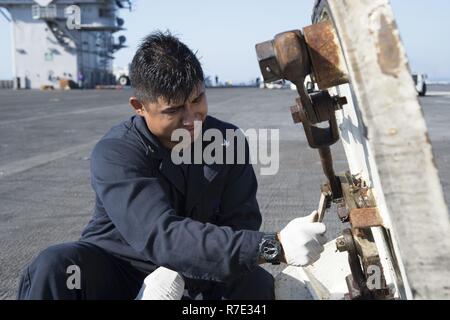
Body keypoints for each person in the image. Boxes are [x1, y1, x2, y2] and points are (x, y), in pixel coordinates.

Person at [17, 31, 327, 300]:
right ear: (140, 107)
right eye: (174, 109)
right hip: (122, 270)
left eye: (198, 100)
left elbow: (239, 225)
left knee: (253, 284)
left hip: (202, 275)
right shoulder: (116, 153)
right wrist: (275, 246)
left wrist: (200, 280)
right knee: (57, 267)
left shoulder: (226, 141)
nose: (192, 120)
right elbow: (160, 235)